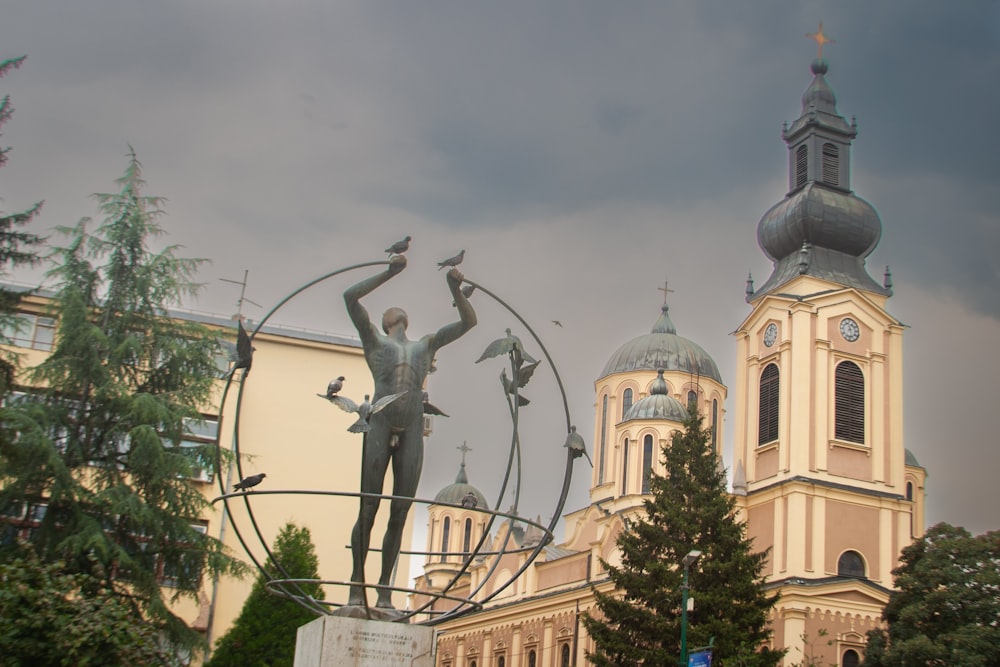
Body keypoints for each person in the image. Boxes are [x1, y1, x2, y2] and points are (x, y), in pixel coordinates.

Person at [343, 253, 477, 608]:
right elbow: (350, 298)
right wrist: (388, 273)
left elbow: (468, 322)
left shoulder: (425, 345)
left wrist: (456, 289)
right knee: (369, 506)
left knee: (400, 511)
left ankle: (385, 591)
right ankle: (358, 585)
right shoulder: (374, 342)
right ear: (395, 321)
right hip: (380, 421)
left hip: (413, 425)